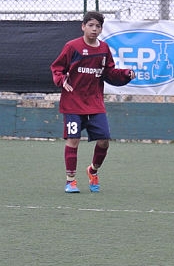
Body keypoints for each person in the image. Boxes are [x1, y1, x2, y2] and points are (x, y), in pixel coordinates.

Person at [50, 11, 135, 193]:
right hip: (73, 103)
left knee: (104, 141)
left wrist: (126, 74)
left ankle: (93, 170)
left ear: (101, 29)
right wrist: (61, 80)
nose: (94, 29)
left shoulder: (104, 49)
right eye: (90, 25)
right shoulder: (72, 47)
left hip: (95, 103)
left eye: (98, 26)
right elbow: (57, 68)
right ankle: (70, 181)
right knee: (73, 140)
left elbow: (109, 73)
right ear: (83, 26)